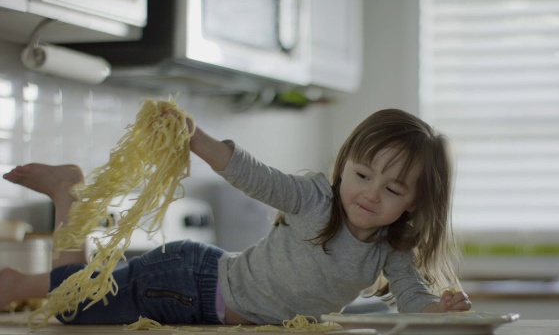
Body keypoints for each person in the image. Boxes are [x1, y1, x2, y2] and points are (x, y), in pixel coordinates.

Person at [0, 108, 471, 325]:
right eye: (362, 174)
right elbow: (256, 176)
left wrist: (439, 309)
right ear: (343, 165)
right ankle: (69, 197)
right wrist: (196, 138)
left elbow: (412, 297)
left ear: (414, 202)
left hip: (201, 292)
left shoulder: (391, 250)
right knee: (74, 306)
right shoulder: (314, 199)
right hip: (191, 284)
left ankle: (18, 282)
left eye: (391, 189)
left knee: (87, 292)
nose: (369, 195)